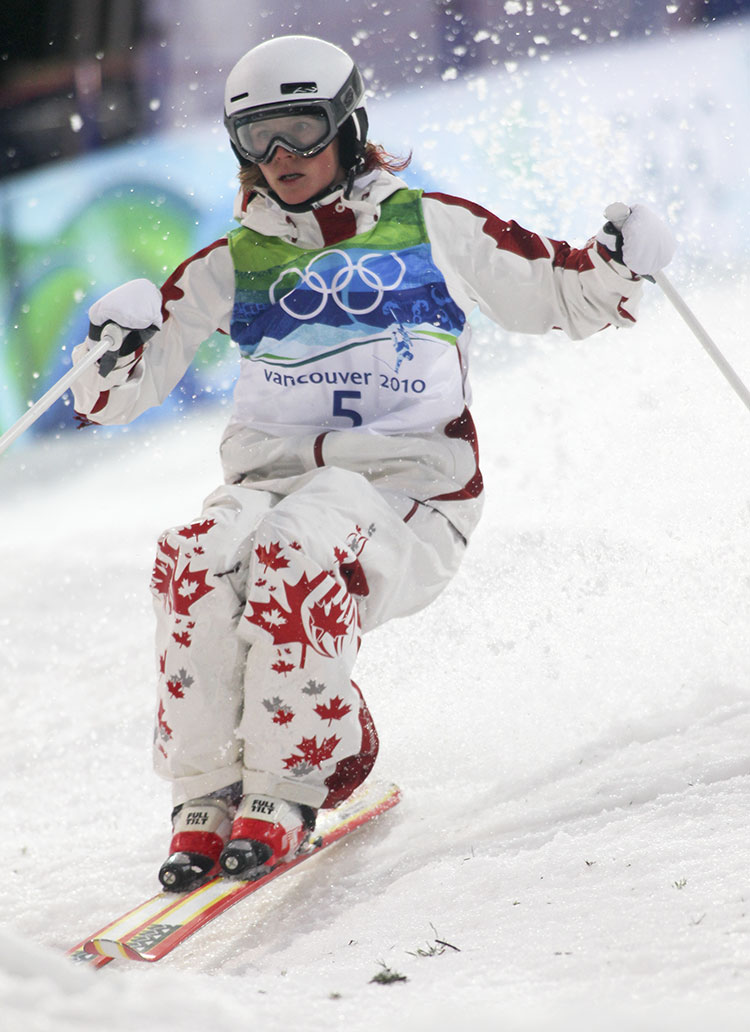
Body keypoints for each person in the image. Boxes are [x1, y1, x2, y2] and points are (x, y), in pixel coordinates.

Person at [71, 34, 675, 891]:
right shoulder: (230, 264)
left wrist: (621, 261)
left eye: (302, 130)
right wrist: (110, 348)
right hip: (274, 486)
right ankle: (204, 793)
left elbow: (561, 293)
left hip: (410, 495)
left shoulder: (431, 225)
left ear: (349, 126)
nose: (281, 158)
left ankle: (307, 767)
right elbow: (111, 399)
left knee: (294, 545)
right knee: (193, 557)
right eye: (257, 139)